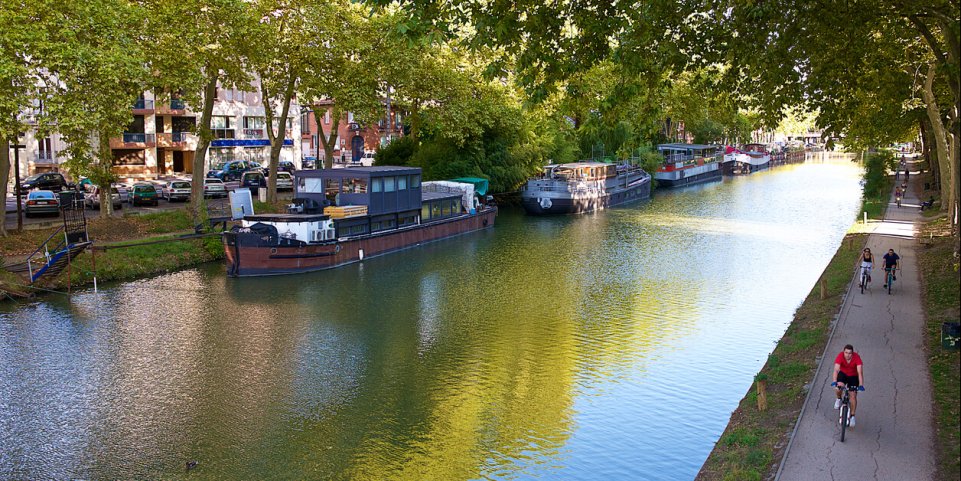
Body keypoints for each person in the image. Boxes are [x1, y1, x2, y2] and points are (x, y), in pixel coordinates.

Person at [831, 344, 865, 427]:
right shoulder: (840, 356)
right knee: (838, 387)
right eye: (846, 352)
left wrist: (860, 385)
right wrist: (834, 381)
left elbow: (860, 373)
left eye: (850, 353)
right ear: (844, 352)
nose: (847, 355)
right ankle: (839, 399)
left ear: (852, 353)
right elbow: (836, 370)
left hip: (853, 376)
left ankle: (852, 416)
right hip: (843, 374)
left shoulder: (857, 358)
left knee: (853, 396)